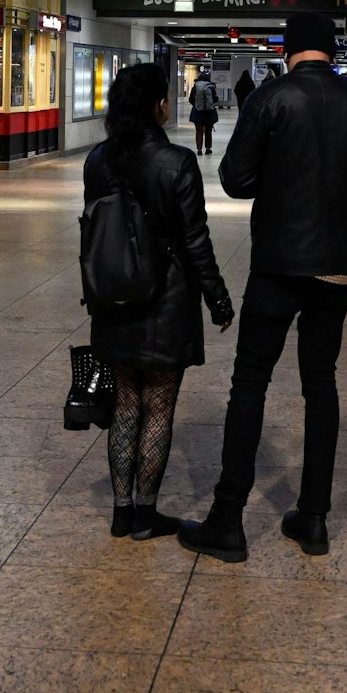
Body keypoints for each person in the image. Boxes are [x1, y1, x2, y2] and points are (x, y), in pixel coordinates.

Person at [179, 11, 347, 563]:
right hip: (336, 266)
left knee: (250, 383)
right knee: (321, 384)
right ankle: (313, 519)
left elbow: (235, 179)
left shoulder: (269, 99)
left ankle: (228, 521)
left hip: (276, 264)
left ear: (290, 49)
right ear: (331, 51)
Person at [83, 63, 234, 539]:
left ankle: (121, 510)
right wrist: (218, 298)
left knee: (126, 401)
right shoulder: (177, 163)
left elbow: (92, 232)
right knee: (159, 404)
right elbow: (194, 241)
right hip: (165, 299)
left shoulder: (98, 160)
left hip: (113, 297)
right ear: (155, 105)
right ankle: (147, 513)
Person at [187, 69, 219, 155]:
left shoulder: (195, 87)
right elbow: (216, 99)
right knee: (208, 131)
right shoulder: (211, 87)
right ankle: (208, 149)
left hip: (197, 112)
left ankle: (199, 150)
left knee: (199, 131)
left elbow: (190, 99)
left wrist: (196, 105)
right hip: (210, 113)